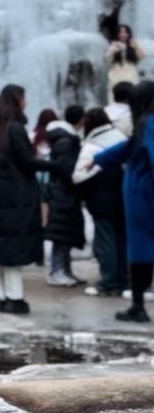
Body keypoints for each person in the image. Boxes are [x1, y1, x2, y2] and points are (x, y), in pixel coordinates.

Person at [0, 84, 58, 314]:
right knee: (14, 250)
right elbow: (27, 162)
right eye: (24, 98)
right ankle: (15, 298)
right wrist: (55, 166)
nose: (26, 102)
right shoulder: (15, 129)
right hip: (16, 197)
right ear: (16, 100)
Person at [93, 80, 154, 323]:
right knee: (142, 249)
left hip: (142, 195)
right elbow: (128, 147)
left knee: (140, 249)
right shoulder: (147, 122)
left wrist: (99, 159)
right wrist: (99, 158)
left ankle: (137, 305)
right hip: (141, 193)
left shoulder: (148, 122)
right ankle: (137, 304)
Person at [72, 108, 128, 296]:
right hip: (123, 197)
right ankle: (123, 280)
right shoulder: (121, 137)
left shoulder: (92, 145)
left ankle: (109, 282)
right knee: (121, 240)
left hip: (102, 199)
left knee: (105, 241)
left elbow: (78, 176)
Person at [44, 105, 86, 287]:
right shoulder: (67, 141)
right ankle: (57, 271)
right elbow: (66, 168)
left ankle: (64, 270)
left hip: (63, 192)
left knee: (65, 234)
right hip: (63, 193)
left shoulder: (64, 139)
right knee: (61, 234)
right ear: (80, 120)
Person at [105, 24, 145, 95]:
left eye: (125, 32)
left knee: (132, 94)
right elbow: (107, 60)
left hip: (131, 74)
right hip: (116, 74)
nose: (123, 34)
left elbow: (142, 56)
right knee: (115, 94)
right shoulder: (113, 45)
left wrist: (136, 46)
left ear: (129, 34)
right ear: (117, 34)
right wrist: (113, 50)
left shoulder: (133, 45)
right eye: (120, 32)